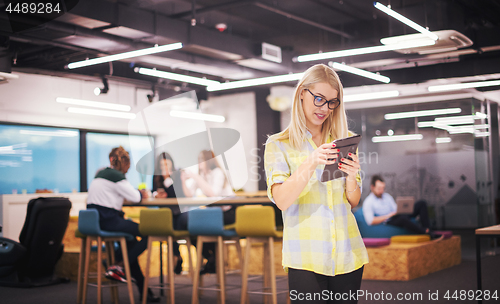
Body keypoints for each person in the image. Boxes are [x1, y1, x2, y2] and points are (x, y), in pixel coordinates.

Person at [264, 64, 368, 304]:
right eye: (319, 99)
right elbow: (281, 200)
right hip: (305, 255)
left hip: (347, 251)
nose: (324, 109)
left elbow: (353, 200)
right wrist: (311, 161)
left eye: (332, 102)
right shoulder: (279, 144)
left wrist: (352, 176)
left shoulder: (342, 141)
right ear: (302, 92)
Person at [86, 146, 160, 303]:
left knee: (130, 244)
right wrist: (141, 193)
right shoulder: (117, 176)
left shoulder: (100, 173)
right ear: (124, 163)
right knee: (150, 233)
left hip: (96, 221)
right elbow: (135, 197)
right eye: (129, 165)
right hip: (108, 220)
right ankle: (119, 264)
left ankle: (145, 292)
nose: (128, 169)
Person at [183, 150, 235, 275]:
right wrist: (183, 180)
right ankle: (212, 259)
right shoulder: (201, 175)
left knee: (203, 227)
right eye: (199, 159)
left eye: (202, 159)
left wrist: (196, 177)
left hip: (229, 211)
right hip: (214, 213)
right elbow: (189, 194)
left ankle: (214, 261)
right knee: (192, 228)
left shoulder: (218, 173)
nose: (200, 162)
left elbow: (213, 193)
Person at [362, 175, 436, 237]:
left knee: (421, 204)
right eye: (379, 189)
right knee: (402, 219)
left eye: (383, 188)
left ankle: (428, 229)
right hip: (389, 220)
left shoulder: (387, 196)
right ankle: (425, 232)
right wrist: (388, 216)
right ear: (372, 187)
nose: (381, 191)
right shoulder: (368, 202)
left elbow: (395, 208)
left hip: (396, 215)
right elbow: (370, 221)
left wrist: (401, 210)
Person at [152, 152, 189, 274]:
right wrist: (156, 195)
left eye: (167, 164)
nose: (165, 167)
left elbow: (176, 194)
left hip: (178, 212)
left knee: (172, 228)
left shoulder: (177, 175)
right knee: (169, 226)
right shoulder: (156, 176)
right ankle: (178, 257)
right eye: (162, 165)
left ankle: (178, 257)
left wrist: (167, 179)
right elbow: (153, 190)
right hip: (165, 213)